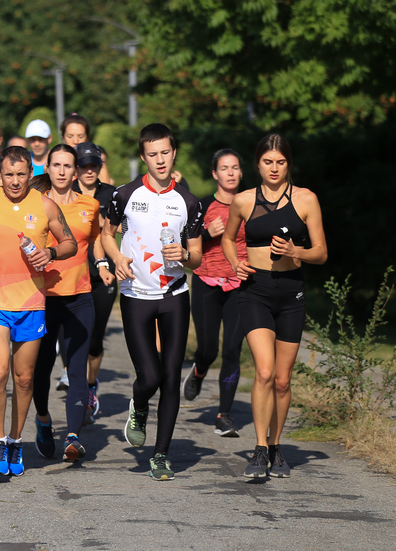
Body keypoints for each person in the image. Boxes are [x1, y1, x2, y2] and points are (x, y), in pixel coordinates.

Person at [0, 146, 77, 476]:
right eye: (8, 174)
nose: (14, 181)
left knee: (23, 379)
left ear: (30, 173)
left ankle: (15, 440)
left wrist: (49, 251)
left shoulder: (45, 204)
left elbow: (71, 244)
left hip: (31, 302)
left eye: (21, 174)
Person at [101, 123, 203, 481]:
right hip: (135, 295)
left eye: (165, 153)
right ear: (143, 157)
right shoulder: (124, 194)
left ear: (174, 153)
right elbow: (106, 234)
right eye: (152, 154)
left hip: (174, 294)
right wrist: (116, 258)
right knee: (150, 375)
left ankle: (161, 455)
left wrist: (185, 256)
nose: (160, 160)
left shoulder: (189, 202)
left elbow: (198, 258)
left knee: (171, 377)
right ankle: (139, 404)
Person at [222, 134, 327, 478]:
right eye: (268, 162)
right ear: (258, 164)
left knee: (282, 380)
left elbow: (321, 253)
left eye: (280, 162)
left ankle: (277, 445)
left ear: (288, 164)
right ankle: (259, 448)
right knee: (264, 371)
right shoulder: (243, 200)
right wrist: (234, 263)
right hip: (255, 291)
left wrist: (295, 251)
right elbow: (227, 237)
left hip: (291, 295)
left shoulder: (306, 199)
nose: (274, 168)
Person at [29, 145, 100, 462]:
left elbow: (94, 242)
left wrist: (106, 267)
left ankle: (72, 436)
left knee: (76, 368)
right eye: (55, 165)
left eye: (67, 165)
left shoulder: (91, 205)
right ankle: (43, 420)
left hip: (80, 297)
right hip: (41, 299)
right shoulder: (33, 205)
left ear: (75, 171)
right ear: (48, 168)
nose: (61, 171)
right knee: (40, 370)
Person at [181, 149, 247, 438]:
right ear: (214, 174)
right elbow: (184, 241)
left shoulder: (251, 204)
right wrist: (207, 232)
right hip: (207, 281)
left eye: (235, 168)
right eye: (224, 168)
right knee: (208, 349)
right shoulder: (203, 204)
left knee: (233, 349)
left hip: (241, 284)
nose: (230, 173)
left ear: (241, 173)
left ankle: (225, 415)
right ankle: (198, 371)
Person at [72, 142, 117, 424]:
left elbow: (122, 227)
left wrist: (106, 224)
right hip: (73, 273)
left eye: (94, 165)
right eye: (84, 165)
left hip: (103, 274)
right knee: (74, 339)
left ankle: (90, 386)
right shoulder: (66, 193)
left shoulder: (111, 194)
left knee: (95, 340)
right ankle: (77, 388)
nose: (89, 170)